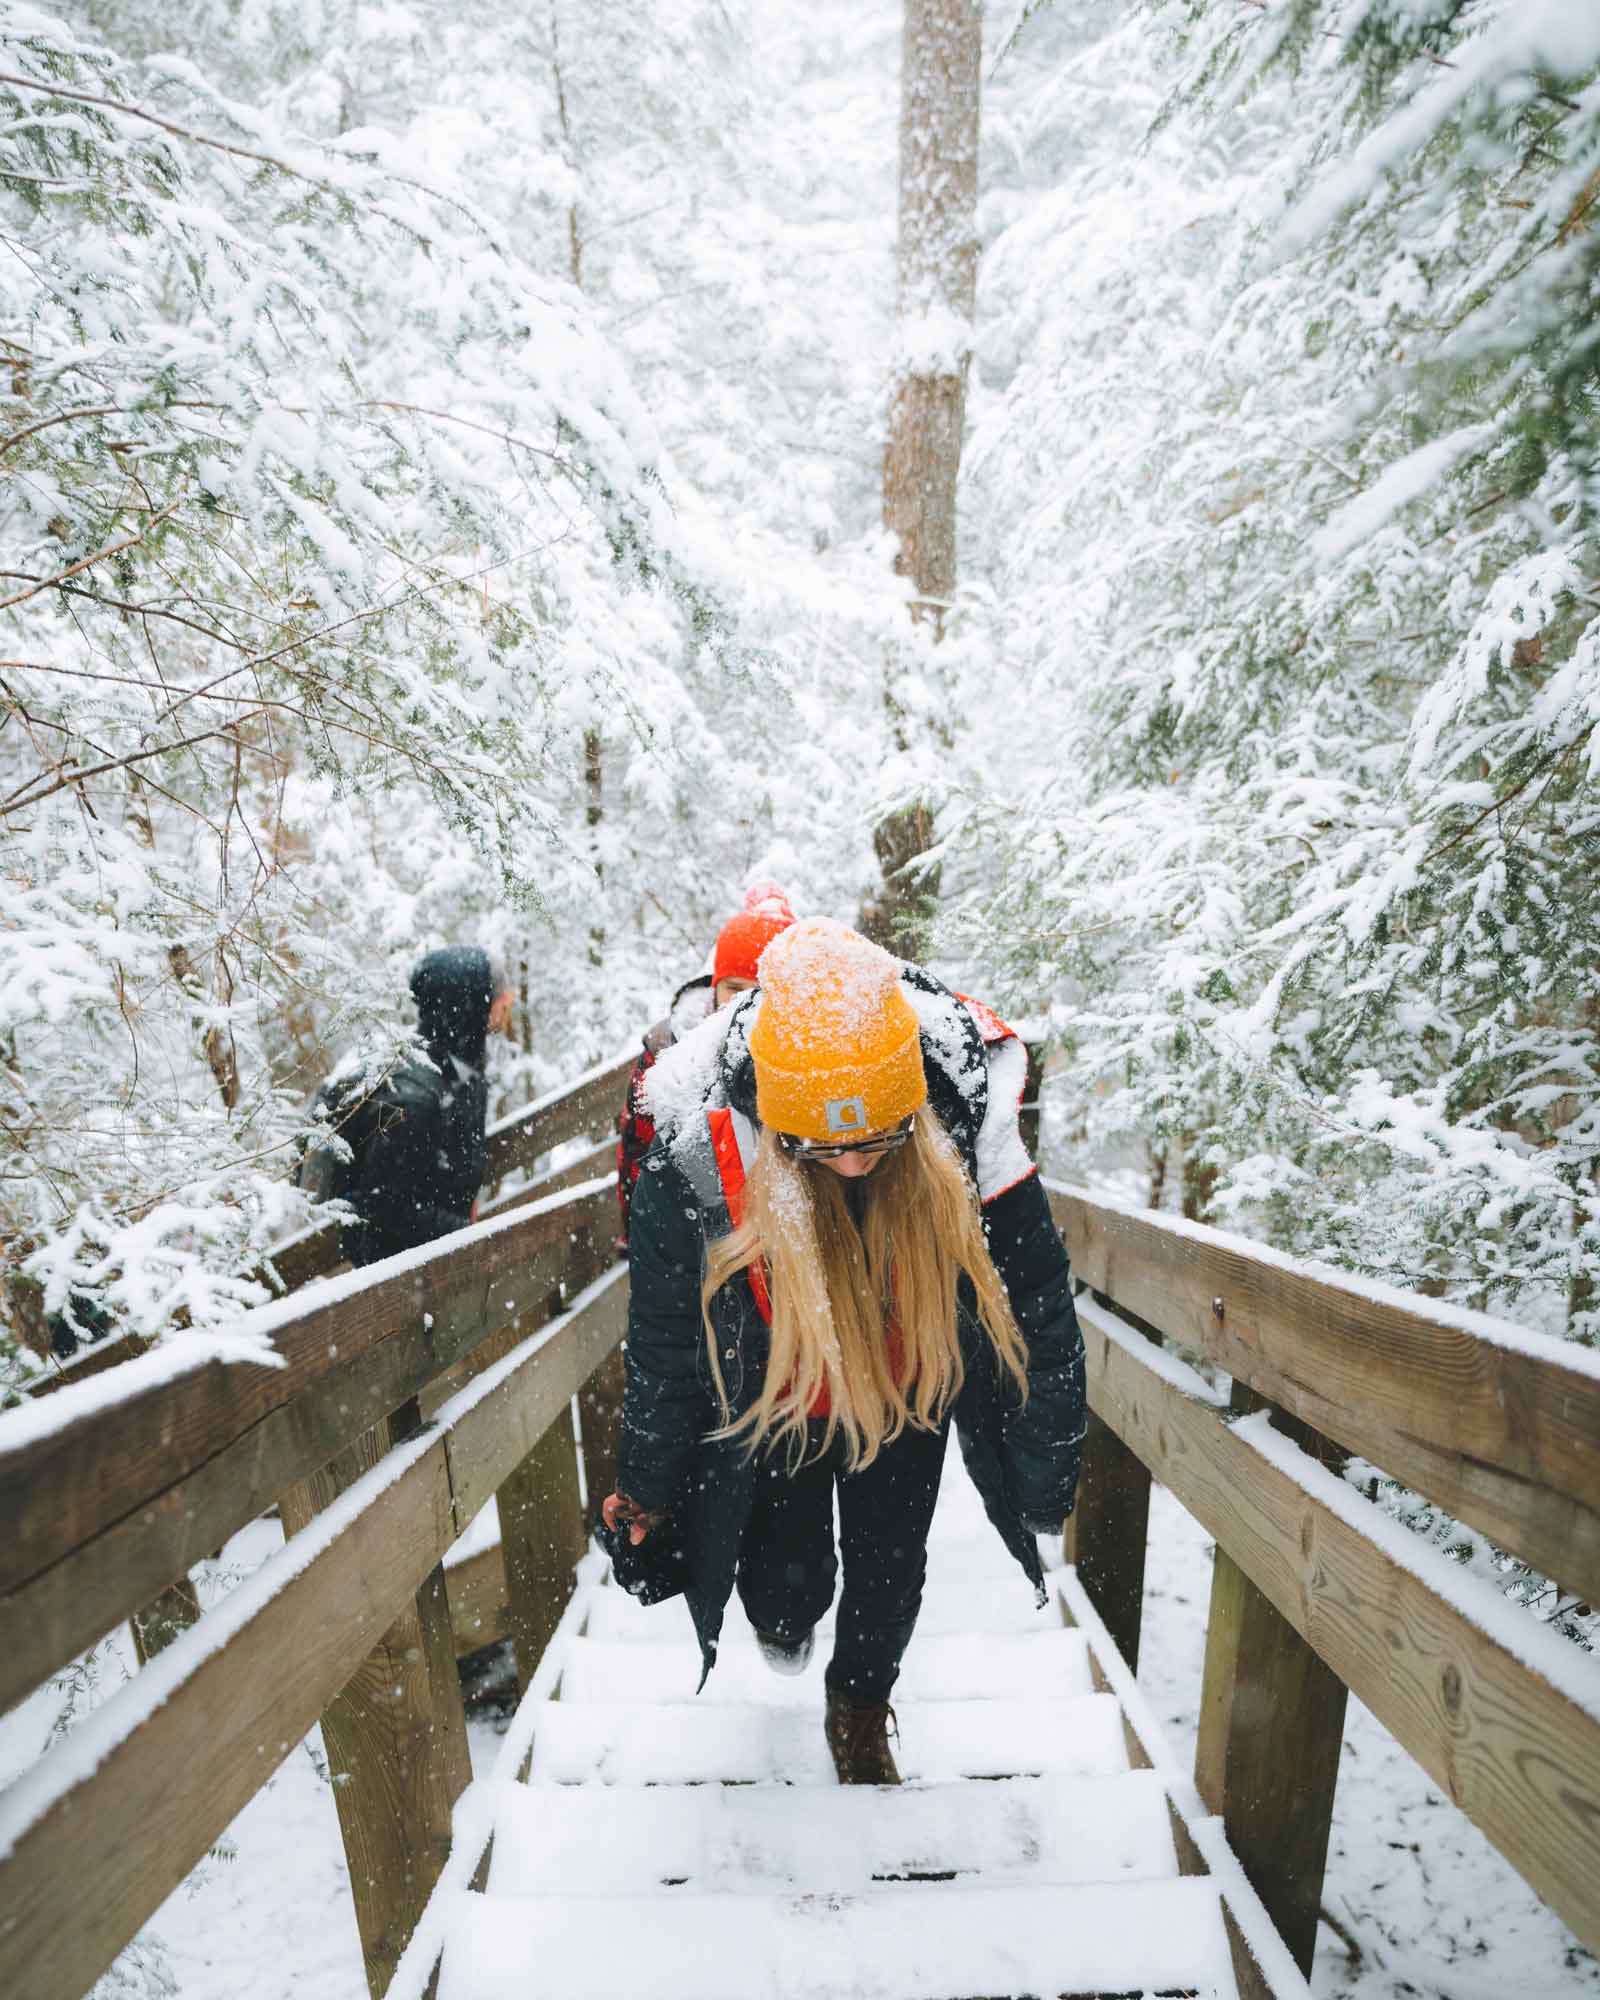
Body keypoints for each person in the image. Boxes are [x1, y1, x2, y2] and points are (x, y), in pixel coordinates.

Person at [601, 917, 1086, 1785]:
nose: (857, 1166)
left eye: (879, 1141)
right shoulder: (695, 1146)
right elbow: (664, 1338)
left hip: (910, 1387)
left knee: (891, 1571)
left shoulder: (961, 1115)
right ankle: (788, 1622)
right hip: (782, 1388)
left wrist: (1046, 1458)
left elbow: (1039, 1296)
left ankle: (861, 1711)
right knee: (784, 1589)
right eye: (825, 1149)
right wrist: (645, 1482)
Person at [298, 945, 514, 1267]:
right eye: (498, 999)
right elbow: (386, 1210)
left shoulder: (459, 1072)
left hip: (433, 1267)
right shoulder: (411, 1100)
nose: (506, 1006)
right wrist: (466, 1234)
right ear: (466, 1008)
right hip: (399, 1281)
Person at [614, 884, 796, 1251]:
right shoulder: (670, 1049)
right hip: (693, 1239)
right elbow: (639, 1151)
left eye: (762, 990)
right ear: (715, 989)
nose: (746, 1003)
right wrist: (640, 1236)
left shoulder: (807, 1055)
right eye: (734, 987)